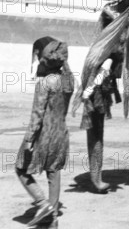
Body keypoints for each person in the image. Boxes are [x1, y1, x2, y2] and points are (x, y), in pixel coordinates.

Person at [15, 37, 74, 228]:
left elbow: (37, 114)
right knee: (53, 173)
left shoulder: (45, 83)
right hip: (61, 133)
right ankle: (52, 219)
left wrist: (29, 140)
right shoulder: (68, 79)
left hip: (44, 134)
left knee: (20, 167)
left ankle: (42, 203)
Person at [78, 56, 122, 193]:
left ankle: (96, 176)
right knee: (96, 138)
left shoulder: (103, 55)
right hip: (96, 98)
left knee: (95, 137)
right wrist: (88, 91)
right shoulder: (110, 57)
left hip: (98, 97)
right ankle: (96, 179)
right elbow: (102, 73)